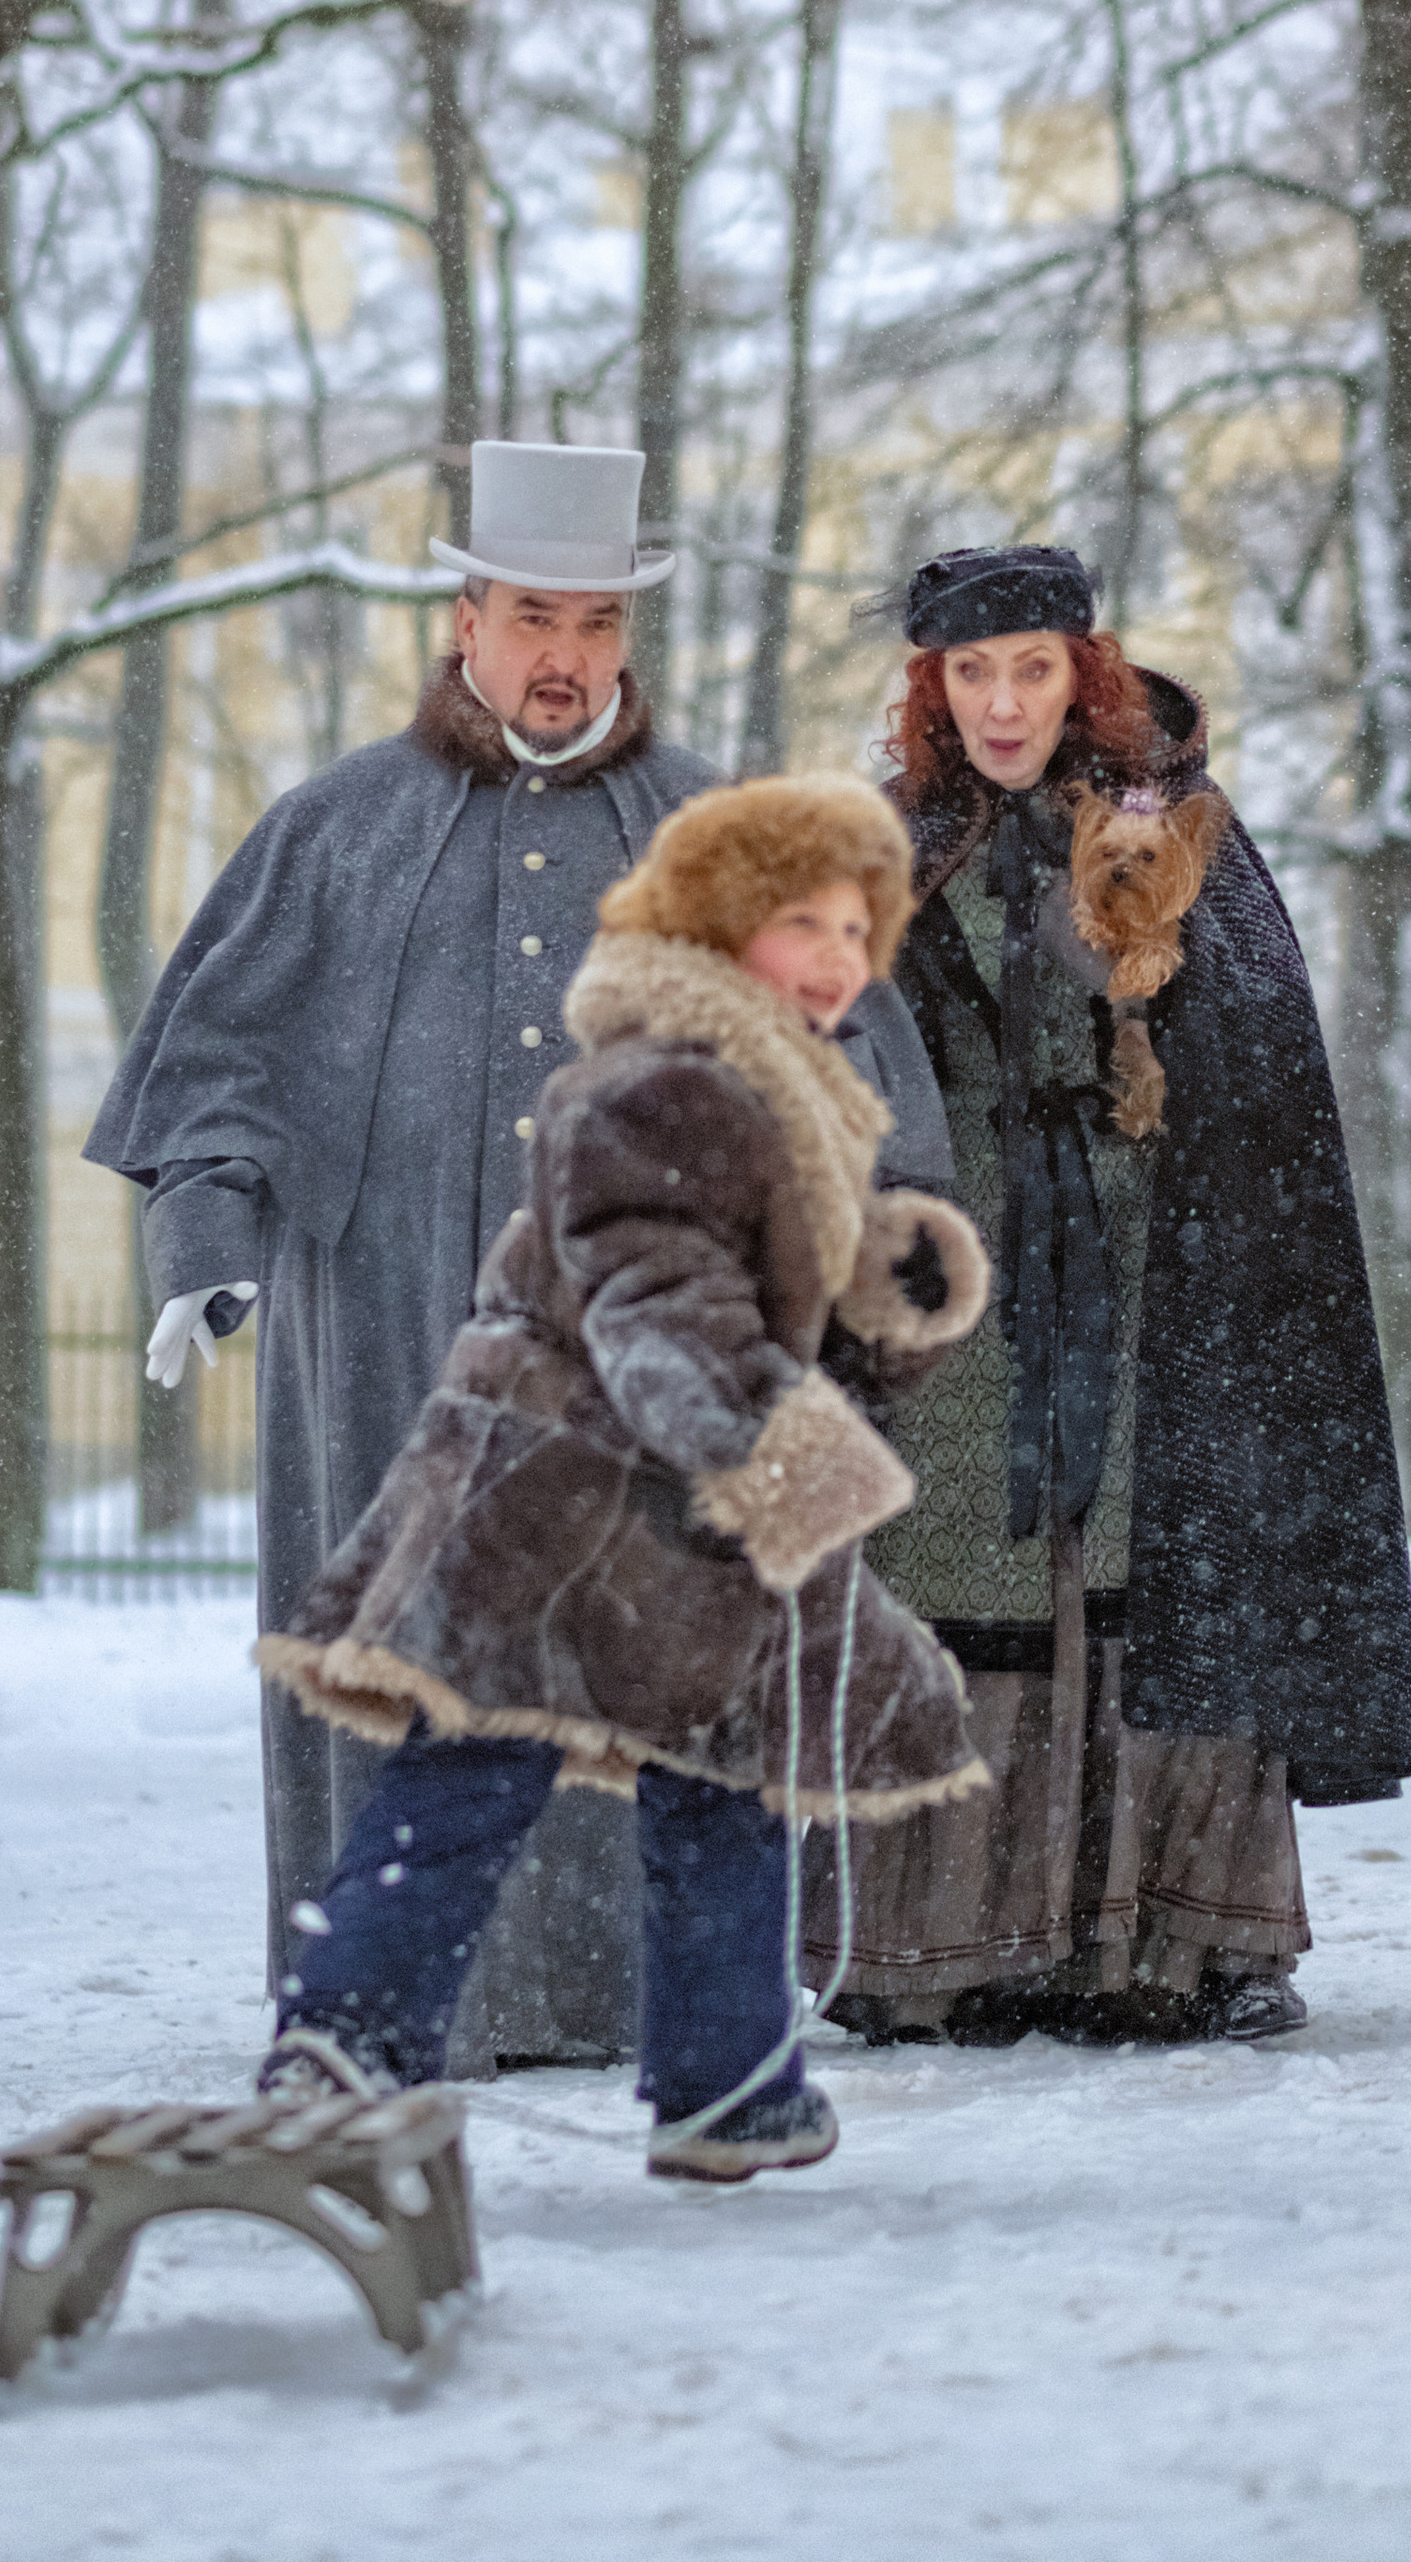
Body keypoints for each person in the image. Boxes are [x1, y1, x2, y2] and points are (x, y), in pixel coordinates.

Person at [85, 441, 949, 2065]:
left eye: (598, 622)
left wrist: (875, 1266)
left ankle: (657, 2022)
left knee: (667, 1654)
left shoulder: (726, 841)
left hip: (657, 1362)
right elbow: (218, 1075)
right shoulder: (334, 831)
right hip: (392, 1345)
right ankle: (399, 2012)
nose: (566, 657)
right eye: (534, 614)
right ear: (465, 616)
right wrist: (205, 1243)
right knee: (414, 1658)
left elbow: (865, 1077)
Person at [253, 775, 992, 2181]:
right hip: (559, 1508)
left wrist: (878, 1297)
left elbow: (763, 1312)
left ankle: (732, 2082)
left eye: (858, 927)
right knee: (475, 1768)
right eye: (802, 922)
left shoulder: (774, 1097)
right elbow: (658, 1316)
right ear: (717, 928)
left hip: (661, 1525)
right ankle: (346, 2034)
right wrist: (786, 1459)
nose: (841, 957)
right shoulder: (660, 1085)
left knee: (728, 1779)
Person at [820, 541, 1411, 2046]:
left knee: (1162, 1589)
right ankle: (958, 1945)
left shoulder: (1180, 825)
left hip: (1165, 1281)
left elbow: (1253, 1055)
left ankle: (1176, 1946)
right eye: (971, 673)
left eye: (1032, 667)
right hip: (959, 1291)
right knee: (967, 1587)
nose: (1003, 702)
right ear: (932, 688)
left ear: (1079, 669)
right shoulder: (888, 848)